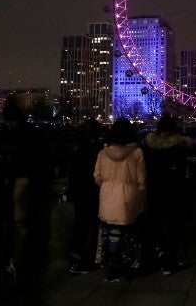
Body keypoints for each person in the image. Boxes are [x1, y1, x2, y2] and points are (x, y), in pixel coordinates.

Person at [0, 101, 46, 280]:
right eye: (8, 121)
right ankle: (15, 260)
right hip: (15, 180)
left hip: (15, 180)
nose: (10, 124)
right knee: (17, 222)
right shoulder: (26, 134)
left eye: (12, 121)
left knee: (16, 222)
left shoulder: (5, 135)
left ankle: (13, 261)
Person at [94, 117, 146, 282]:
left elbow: (97, 177)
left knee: (108, 235)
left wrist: (108, 186)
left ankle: (111, 268)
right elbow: (142, 180)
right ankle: (127, 268)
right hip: (128, 197)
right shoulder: (137, 153)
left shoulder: (103, 153)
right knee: (128, 235)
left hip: (107, 196)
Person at [141, 113, 193, 275]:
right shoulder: (179, 148)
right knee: (173, 229)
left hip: (154, 194)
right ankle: (169, 264)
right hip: (174, 195)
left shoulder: (148, 148)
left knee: (154, 229)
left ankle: (153, 261)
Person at [66, 118, 104, 274]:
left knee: (80, 225)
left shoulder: (76, 147)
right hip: (91, 192)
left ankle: (76, 259)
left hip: (79, 192)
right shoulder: (93, 149)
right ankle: (89, 258)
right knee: (91, 226)